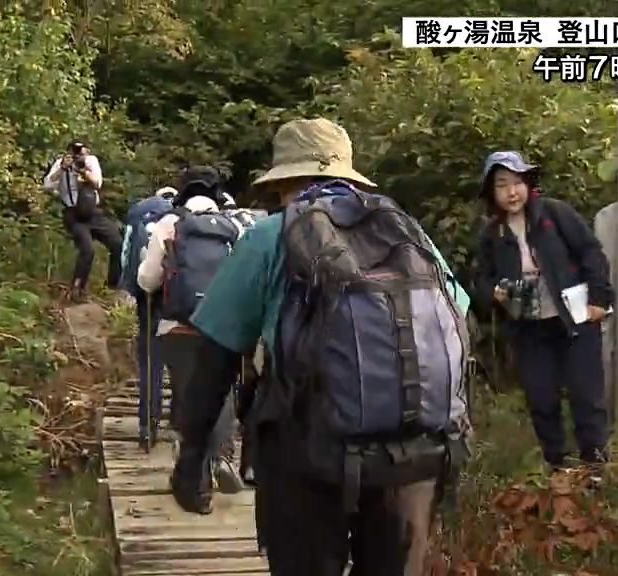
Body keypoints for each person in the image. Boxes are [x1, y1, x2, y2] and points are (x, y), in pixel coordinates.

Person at [170, 118, 472, 576]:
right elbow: (459, 316)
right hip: (411, 453)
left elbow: (216, 355)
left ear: (284, 181)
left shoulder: (269, 237)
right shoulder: (406, 231)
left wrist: (193, 455)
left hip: (305, 452)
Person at [473, 151, 612, 470]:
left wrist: (600, 300)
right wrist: (493, 292)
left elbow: (591, 253)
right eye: (502, 185)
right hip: (529, 328)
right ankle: (558, 466)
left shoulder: (554, 214)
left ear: (528, 184)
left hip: (573, 319)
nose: (511, 192)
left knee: (586, 396)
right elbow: (480, 278)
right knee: (542, 399)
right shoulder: (492, 234)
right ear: (491, 193)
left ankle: (596, 466)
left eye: (517, 182)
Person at [138, 166, 246, 493]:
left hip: (178, 325)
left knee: (187, 396)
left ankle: (197, 479)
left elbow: (147, 280)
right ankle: (220, 456)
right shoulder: (235, 226)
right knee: (222, 392)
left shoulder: (169, 224)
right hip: (222, 327)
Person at [119, 186, 178, 449]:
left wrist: (129, 288)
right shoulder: (184, 217)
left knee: (150, 358)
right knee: (181, 361)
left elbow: (126, 255)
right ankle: (179, 419)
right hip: (181, 299)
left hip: (147, 295)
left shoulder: (138, 213)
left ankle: (147, 423)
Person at [42, 140, 123, 301]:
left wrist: (82, 170)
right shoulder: (61, 164)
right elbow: (47, 186)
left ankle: (113, 285)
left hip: (92, 212)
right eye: (75, 151)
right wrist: (63, 169)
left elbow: (97, 183)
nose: (78, 154)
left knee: (118, 243)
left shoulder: (90, 162)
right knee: (87, 250)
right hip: (73, 214)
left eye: (81, 151)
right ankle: (77, 288)